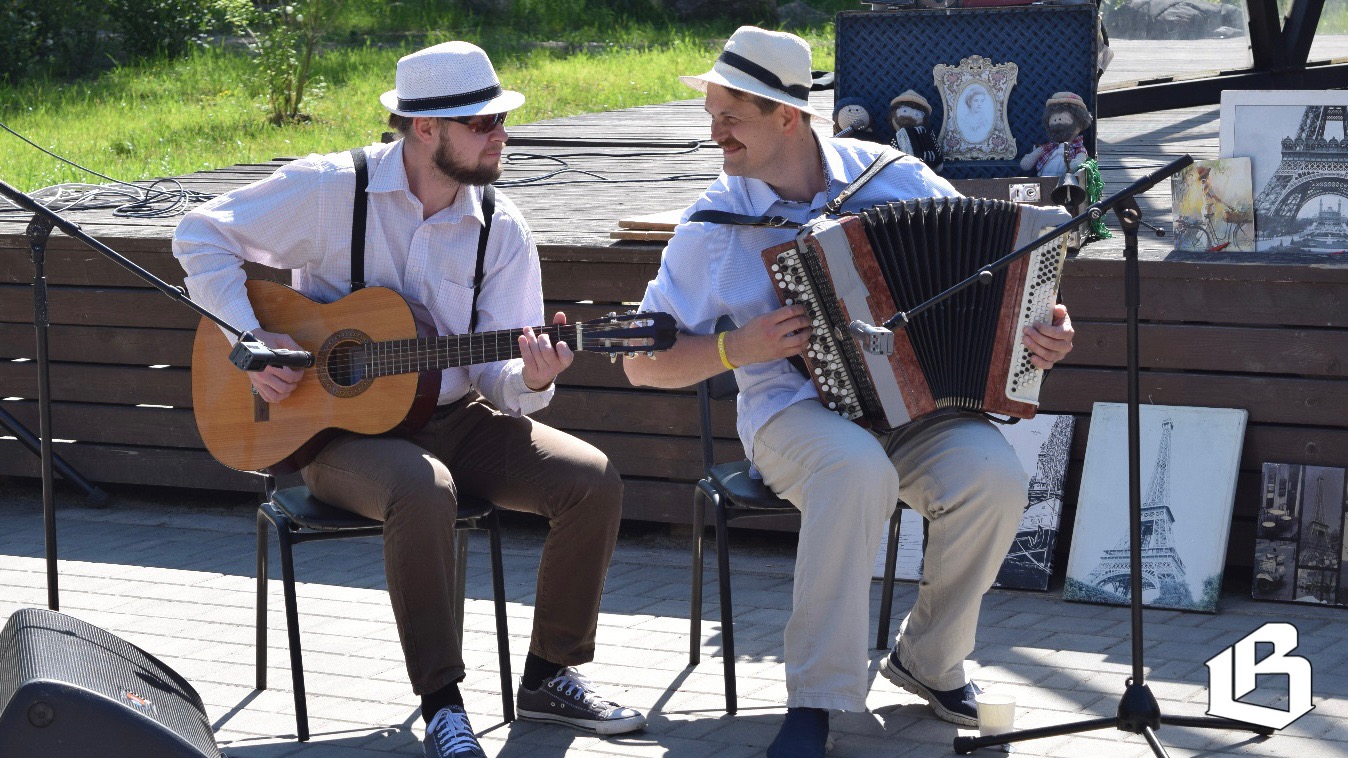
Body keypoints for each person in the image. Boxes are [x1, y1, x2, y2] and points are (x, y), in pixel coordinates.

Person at [173, 41, 645, 758]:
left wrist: (534, 378)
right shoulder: (333, 190)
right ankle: (443, 705)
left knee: (593, 481)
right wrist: (249, 336)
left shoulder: (501, 228)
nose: (500, 135)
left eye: (501, 120)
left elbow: (497, 378)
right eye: (482, 123)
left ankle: (550, 674)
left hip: (455, 418)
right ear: (425, 128)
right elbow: (198, 232)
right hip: (333, 435)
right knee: (425, 490)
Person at [623, 26, 1075, 758]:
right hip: (791, 414)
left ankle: (929, 661)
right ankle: (819, 698)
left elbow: (998, 273)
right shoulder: (713, 226)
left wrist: (1046, 325)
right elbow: (643, 364)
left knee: (995, 477)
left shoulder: (893, 177)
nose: (715, 134)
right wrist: (739, 347)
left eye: (730, 117)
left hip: (915, 408)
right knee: (855, 468)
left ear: (786, 116)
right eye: (711, 115)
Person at [887, 89, 943, 172]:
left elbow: (935, 149)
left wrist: (937, 163)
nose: (910, 117)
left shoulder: (927, 133)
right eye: (904, 111)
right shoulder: (896, 137)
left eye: (917, 114)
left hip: (927, 171)